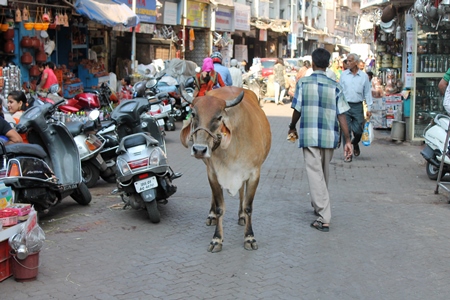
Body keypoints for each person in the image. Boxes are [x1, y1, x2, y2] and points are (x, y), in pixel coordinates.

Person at [288, 48, 352, 232]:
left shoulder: (303, 83)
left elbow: (297, 109)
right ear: (328, 64)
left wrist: (292, 126)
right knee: (322, 173)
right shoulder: (335, 86)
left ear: (313, 64)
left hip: (309, 134)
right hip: (330, 136)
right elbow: (342, 115)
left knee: (316, 174)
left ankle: (324, 217)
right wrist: (347, 140)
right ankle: (319, 206)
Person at [339, 53, 373, 162]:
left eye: (350, 61)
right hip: (345, 105)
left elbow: (367, 93)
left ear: (356, 63)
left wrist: (369, 108)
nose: (347, 63)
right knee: (346, 130)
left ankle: (355, 143)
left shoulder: (363, 77)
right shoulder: (343, 75)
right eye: (347, 61)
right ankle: (348, 154)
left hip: (358, 106)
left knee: (359, 130)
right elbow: (339, 91)